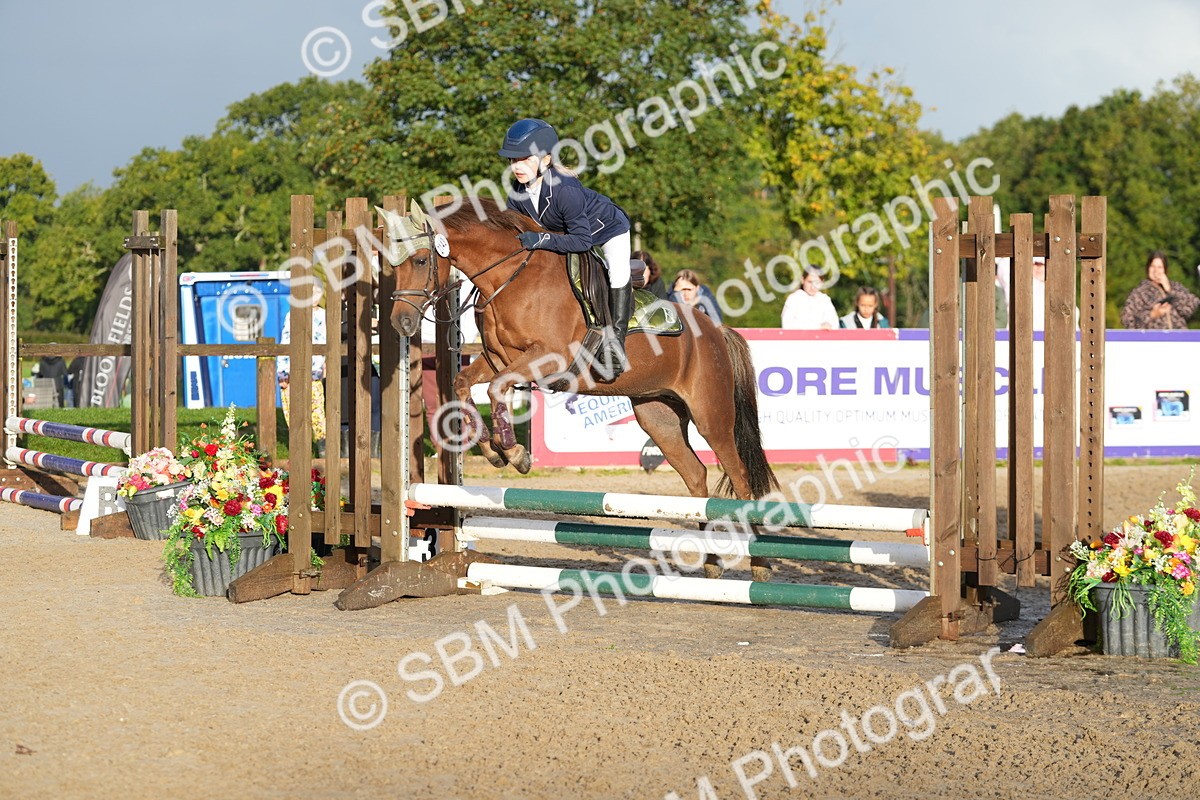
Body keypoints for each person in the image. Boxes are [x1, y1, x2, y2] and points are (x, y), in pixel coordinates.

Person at [500, 118, 633, 380]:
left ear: (546, 160)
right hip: (564, 234)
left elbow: (582, 241)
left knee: (617, 272)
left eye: (525, 159)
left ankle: (615, 343)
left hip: (607, 229)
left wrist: (542, 240)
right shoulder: (517, 190)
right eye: (513, 160)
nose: (517, 166)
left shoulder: (565, 190)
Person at [1121, 251, 1200, 329]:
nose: (1156, 271)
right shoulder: (1139, 293)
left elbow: (1192, 305)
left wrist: (1170, 289)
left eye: (1160, 267)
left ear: (1165, 269)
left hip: (1178, 336)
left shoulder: (1176, 287)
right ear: (1147, 268)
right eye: (1152, 266)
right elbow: (1127, 320)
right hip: (1154, 336)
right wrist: (1152, 315)